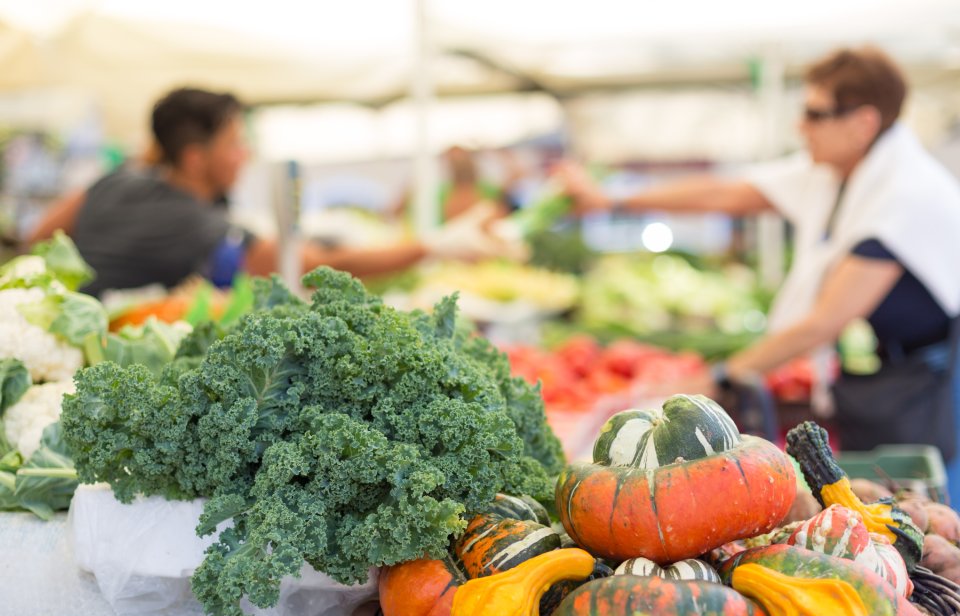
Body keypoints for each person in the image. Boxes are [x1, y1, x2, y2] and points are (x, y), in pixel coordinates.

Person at [557, 46, 960, 493]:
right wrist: (611, 200)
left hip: (933, 380)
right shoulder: (840, 173)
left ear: (863, 123)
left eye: (815, 113)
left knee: (925, 503)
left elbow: (823, 323)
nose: (800, 126)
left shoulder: (902, 197)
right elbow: (726, 193)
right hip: (894, 368)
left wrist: (721, 376)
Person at [27, 88, 464, 296]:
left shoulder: (113, 180)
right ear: (195, 159)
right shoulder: (199, 224)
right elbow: (312, 266)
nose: (246, 154)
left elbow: (38, 239)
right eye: (235, 144)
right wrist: (431, 247)